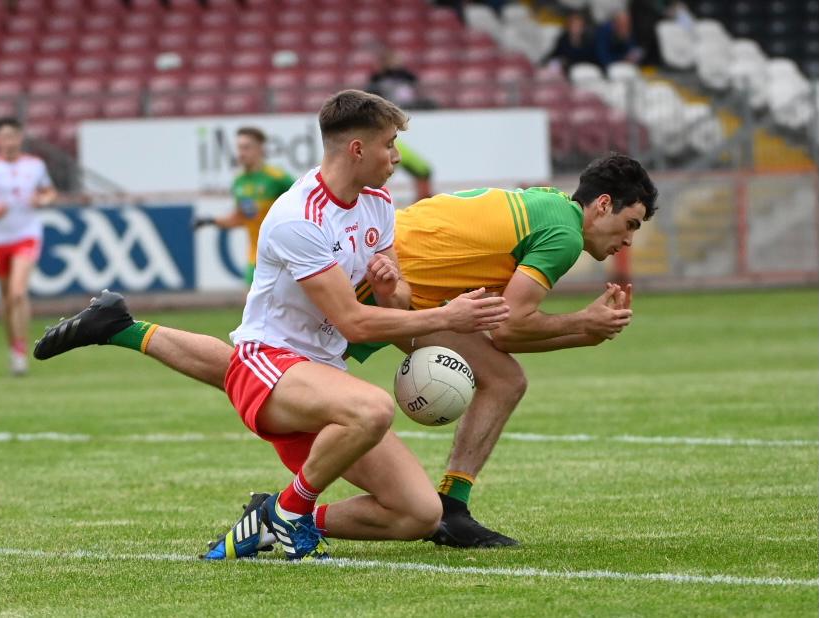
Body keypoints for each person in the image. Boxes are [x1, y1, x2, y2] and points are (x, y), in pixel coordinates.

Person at [32, 90, 509, 561]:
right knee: (372, 408)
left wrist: (391, 288)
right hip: (272, 362)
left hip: (322, 375)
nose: (397, 157)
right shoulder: (298, 217)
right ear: (357, 149)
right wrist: (448, 316)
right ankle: (291, 511)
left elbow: (397, 304)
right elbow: (354, 323)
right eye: (389, 145)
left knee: (418, 515)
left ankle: (271, 517)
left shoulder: (379, 203)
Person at [347, 153, 658, 547]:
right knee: (309, 399)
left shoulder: (548, 204)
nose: (628, 240)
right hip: (378, 283)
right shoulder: (565, 235)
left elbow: (501, 326)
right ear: (602, 205)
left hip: (387, 274)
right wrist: (582, 324)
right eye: (629, 224)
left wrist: (588, 333)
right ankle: (289, 512)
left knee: (504, 378)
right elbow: (510, 331)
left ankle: (452, 509)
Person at [0, 117, 57, 376]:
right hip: (0, 240)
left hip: (27, 234)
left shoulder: (35, 165)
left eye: (12, 136)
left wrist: (42, 200)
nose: (8, 142)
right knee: (7, 301)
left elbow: (50, 192)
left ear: (20, 137)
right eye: (3, 137)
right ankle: (13, 348)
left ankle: (21, 351)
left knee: (18, 293)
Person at [193, 126, 295, 286]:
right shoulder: (239, 182)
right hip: (255, 256)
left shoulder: (278, 178)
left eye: (246, 147)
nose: (241, 153)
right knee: (252, 308)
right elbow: (241, 218)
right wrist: (210, 221)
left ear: (260, 149)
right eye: (239, 148)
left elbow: (303, 205)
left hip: (283, 254)